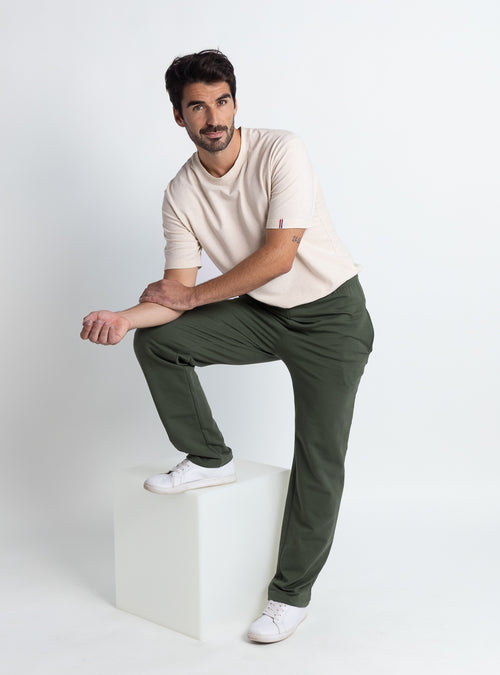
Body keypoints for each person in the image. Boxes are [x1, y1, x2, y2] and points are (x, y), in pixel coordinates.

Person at [81, 49, 374, 643]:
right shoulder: (180, 193)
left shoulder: (281, 150)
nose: (213, 117)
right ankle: (209, 458)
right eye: (197, 107)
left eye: (221, 102)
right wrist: (124, 317)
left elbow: (279, 257)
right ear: (179, 116)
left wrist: (190, 298)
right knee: (158, 341)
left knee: (318, 459)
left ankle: (290, 596)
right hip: (262, 314)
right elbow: (177, 294)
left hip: (331, 318)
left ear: (235, 104)